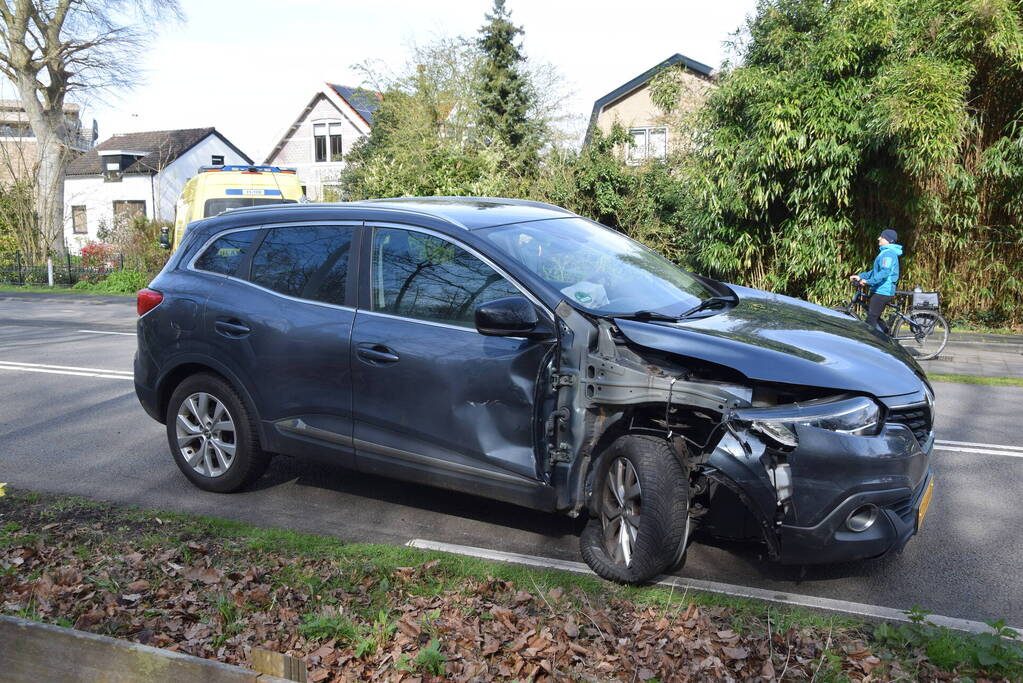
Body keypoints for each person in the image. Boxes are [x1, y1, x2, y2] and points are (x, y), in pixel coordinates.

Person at [850, 229, 903, 332]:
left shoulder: (888, 254)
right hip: (879, 289)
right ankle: (887, 335)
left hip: (883, 291)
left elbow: (884, 272)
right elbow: (875, 272)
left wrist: (868, 281)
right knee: (875, 317)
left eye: (882, 237)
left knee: (871, 320)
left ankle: (868, 340)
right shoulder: (884, 252)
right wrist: (861, 276)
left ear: (888, 240)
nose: (879, 238)